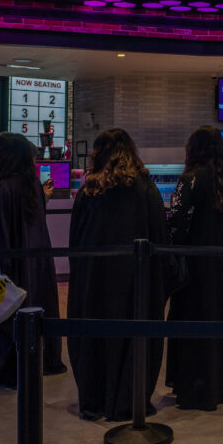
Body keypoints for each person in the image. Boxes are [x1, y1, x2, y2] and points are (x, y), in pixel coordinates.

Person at [67, 129, 171, 421]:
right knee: (132, 338)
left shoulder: (90, 190)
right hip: (135, 282)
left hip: (94, 281)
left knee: (96, 338)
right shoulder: (144, 187)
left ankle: (95, 399)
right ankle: (128, 399)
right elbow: (159, 236)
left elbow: (75, 241)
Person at [0, 133, 66, 388]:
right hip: (34, 267)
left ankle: (4, 370)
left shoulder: (2, 188)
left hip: (4, 268)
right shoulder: (32, 184)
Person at [166, 126, 223, 411]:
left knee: (195, 322)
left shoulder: (190, 179)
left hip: (196, 270)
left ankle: (198, 387)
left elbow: (177, 223)